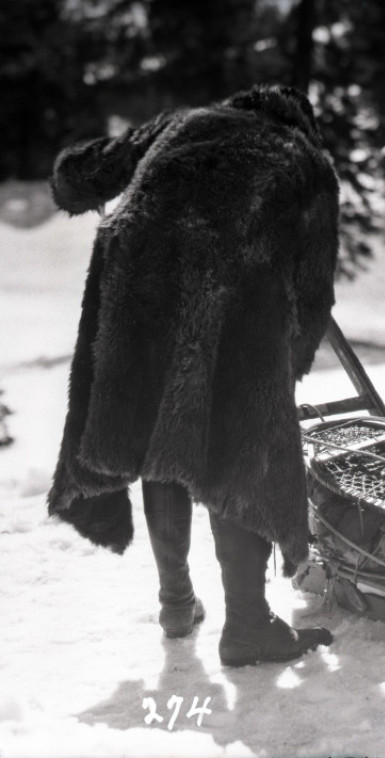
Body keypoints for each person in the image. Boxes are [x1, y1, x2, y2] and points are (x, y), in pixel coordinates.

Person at [46, 84, 339, 666]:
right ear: (302, 123)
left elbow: (80, 178)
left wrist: (70, 173)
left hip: (138, 275)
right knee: (240, 446)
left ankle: (176, 602)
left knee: (164, 436)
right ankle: (249, 626)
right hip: (238, 292)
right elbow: (312, 295)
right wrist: (283, 372)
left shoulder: (183, 123)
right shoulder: (307, 162)